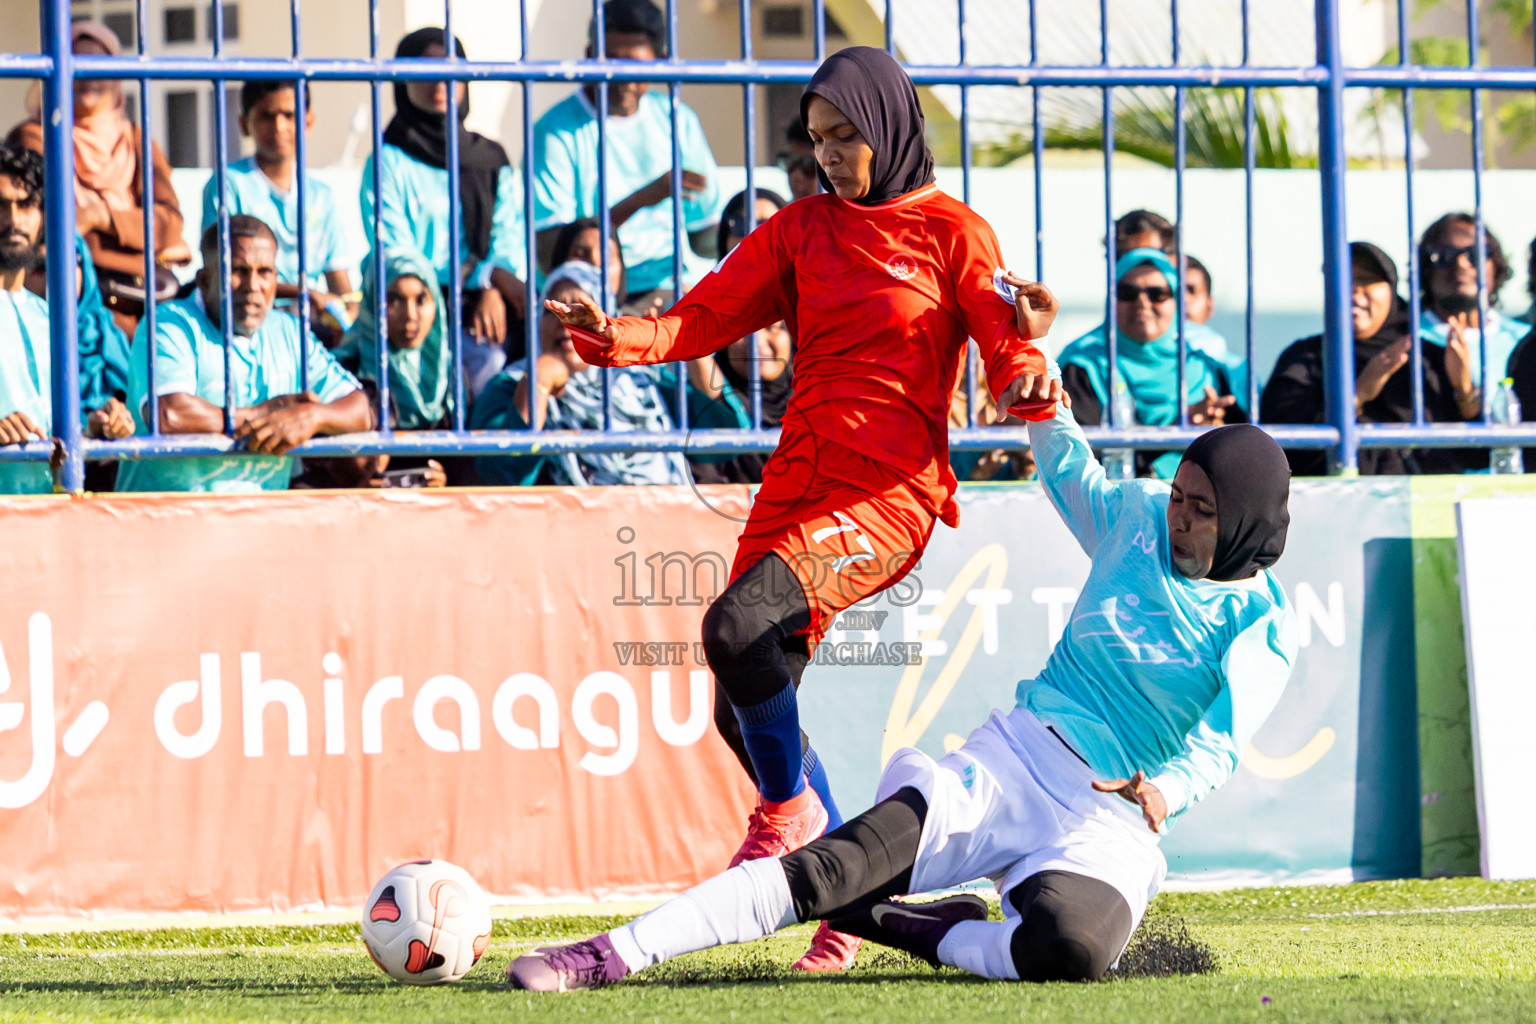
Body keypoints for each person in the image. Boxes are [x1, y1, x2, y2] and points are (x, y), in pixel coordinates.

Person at [543, 46, 1058, 971]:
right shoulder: (800, 229)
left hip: (886, 493)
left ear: (891, 129)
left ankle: (788, 822)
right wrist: (609, 333)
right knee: (737, 708)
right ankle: (850, 896)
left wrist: (1025, 363)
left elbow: (1000, 337)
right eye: (816, 139)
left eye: (844, 136)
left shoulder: (954, 233)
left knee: (737, 629)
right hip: (798, 481)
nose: (828, 156)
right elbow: (703, 318)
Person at [507, 397, 1298, 992]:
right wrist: (1042, 389)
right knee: (827, 870)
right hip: (1019, 759)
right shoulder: (1135, 518)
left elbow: (1221, 742)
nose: (1180, 517)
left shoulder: (1263, 620)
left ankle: (910, 926)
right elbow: (1070, 473)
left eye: (1202, 510)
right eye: (1179, 495)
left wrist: (1166, 790)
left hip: (1115, 815)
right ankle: (608, 955)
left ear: (1246, 527)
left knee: (1072, 953)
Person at [116, 216, 370, 493]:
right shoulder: (169, 323)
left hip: (259, 526)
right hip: (167, 524)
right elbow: (170, 414)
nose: (253, 285)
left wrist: (311, 416)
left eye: (265, 272)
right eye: (237, 270)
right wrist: (263, 415)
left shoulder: (288, 331)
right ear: (204, 279)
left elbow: (360, 410)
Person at [361, 27, 530, 394]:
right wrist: (433, 303)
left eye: (450, 68)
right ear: (401, 79)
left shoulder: (489, 158)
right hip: (414, 310)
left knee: (500, 367)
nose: (440, 80)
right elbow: (395, 247)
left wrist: (490, 283)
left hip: (481, 303)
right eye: (424, 70)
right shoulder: (389, 161)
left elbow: (509, 234)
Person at [531, 0, 724, 305]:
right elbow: (550, 251)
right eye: (613, 62)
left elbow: (706, 238)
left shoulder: (677, 119)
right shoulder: (555, 130)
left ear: (659, 62)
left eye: (634, 65)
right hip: (586, 290)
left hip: (666, 287)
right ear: (589, 57)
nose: (622, 79)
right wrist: (644, 198)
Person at [7, 21, 190, 338]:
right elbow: (53, 224)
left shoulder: (135, 140)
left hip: (146, 304)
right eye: (78, 64)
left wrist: (99, 217)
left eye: (99, 65)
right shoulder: (37, 138)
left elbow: (169, 223)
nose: (88, 77)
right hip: (74, 303)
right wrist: (142, 241)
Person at [1262, 241, 1485, 475]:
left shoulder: (1427, 358)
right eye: (1342, 279)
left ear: (1392, 289)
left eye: (1367, 279)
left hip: (1428, 507)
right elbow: (1281, 452)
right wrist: (1357, 395)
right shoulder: (1304, 359)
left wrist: (1463, 388)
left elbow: (1478, 455)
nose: (1354, 290)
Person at [470, 259, 691, 487]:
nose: (566, 323)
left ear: (607, 320)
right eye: (553, 311)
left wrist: (690, 333)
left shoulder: (638, 379)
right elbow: (499, 474)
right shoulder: (507, 385)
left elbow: (716, 442)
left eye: (580, 310)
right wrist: (538, 382)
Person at [0, 145, 134, 494]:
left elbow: (53, 426)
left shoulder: (47, 317)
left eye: (26, 205)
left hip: (49, 511)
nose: (13, 219)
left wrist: (96, 424)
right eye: (0, 205)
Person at [1058, 247, 1244, 478]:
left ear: (1175, 301)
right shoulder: (1085, 369)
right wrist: (1176, 432)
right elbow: (1080, 459)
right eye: (1127, 293)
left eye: (1157, 293)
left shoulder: (1203, 365)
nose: (1142, 302)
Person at [203, 81, 357, 343]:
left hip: (312, 326)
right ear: (244, 124)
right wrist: (304, 293)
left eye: (289, 115)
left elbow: (339, 279)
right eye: (267, 116)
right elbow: (223, 269)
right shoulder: (230, 184)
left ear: (308, 122)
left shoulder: (321, 195)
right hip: (250, 322)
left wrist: (349, 314)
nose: (279, 126)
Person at [674, 187, 794, 484]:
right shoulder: (702, 313)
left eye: (767, 225)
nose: (754, 235)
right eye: (740, 227)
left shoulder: (813, 309)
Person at [303, 249, 451, 489]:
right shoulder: (340, 373)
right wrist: (354, 481)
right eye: (393, 300)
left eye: (421, 299)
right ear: (372, 302)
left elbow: (470, 470)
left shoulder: (452, 379)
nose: (410, 315)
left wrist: (447, 483)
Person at [1416, 213, 1524, 391]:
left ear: (1495, 265)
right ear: (1426, 269)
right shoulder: (1403, 341)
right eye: (1445, 255)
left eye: (1475, 254)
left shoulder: (1523, 341)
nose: (1461, 264)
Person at [778, 119, 819, 202]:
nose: (797, 176)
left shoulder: (845, 213)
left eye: (809, 165)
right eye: (790, 162)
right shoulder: (785, 213)